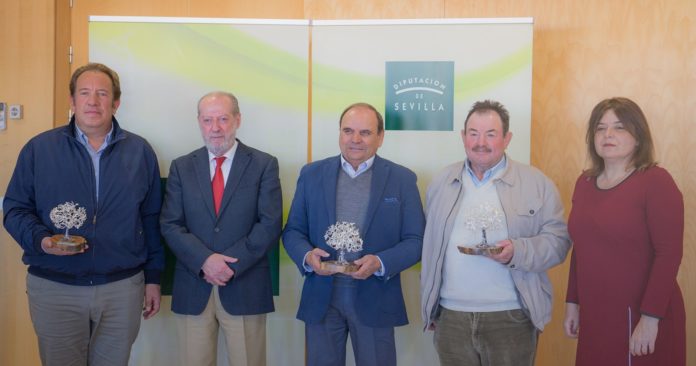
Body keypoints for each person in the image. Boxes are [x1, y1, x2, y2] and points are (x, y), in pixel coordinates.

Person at [3, 63, 164, 366]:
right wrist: (42, 241)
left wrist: (153, 278)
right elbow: (14, 209)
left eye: (102, 94)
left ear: (116, 102)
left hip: (121, 288)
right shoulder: (39, 149)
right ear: (72, 100)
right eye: (85, 93)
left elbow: (151, 218)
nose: (93, 101)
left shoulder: (140, 152)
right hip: (56, 287)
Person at [420, 100, 571, 366]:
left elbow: (558, 242)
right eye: (473, 133)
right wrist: (431, 306)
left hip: (511, 316)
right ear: (463, 136)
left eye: (491, 134)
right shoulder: (442, 182)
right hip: (451, 317)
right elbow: (430, 247)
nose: (481, 142)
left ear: (507, 138)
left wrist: (518, 251)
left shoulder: (537, 183)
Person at [282, 102, 425, 366]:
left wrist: (380, 263)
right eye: (348, 131)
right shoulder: (311, 174)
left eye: (365, 133)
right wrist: (307, 256)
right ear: (339, 133)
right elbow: (293, 231)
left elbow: (416, 241)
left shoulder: (402, 179)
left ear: (381, 137)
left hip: (375, 297)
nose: (355, 139)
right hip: (322, 297)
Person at [160, 91, 282, 366]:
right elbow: (170, 224)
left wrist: (229, 265)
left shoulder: (264, 164)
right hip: (194, 286)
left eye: (223, 119)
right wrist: (205, 261)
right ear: (199, 122)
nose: (215, 128)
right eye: (207, 120)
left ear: (238, 120)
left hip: (245, 283)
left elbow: (270, 223)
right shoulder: (182, 167)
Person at [563, 97, 685, 366]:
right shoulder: (584, 183)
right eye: (600, 128)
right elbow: (581, 248)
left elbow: (669, 254)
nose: (608, 134)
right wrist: (573, 302)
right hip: (596, 315)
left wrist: (651, 318)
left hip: (641, 315)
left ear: (638, 137)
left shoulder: (655, 181)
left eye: (619, 127)